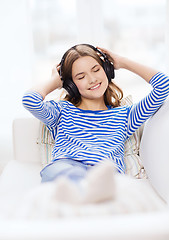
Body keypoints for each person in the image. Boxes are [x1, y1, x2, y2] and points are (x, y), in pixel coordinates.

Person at [22, 44, 169, 204]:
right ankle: (83, 195)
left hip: (105, 170)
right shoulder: (61, 111)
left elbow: (163, 86)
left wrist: (123, 62)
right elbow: (30, 100)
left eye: (96, 69)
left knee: (107, 178)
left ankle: (89, 197)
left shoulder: (125, 115)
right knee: (57, 172)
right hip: (67, 166)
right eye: (80, 76)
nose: (92, 79)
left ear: (107, 70)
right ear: (71, 85)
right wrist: (55, 81)